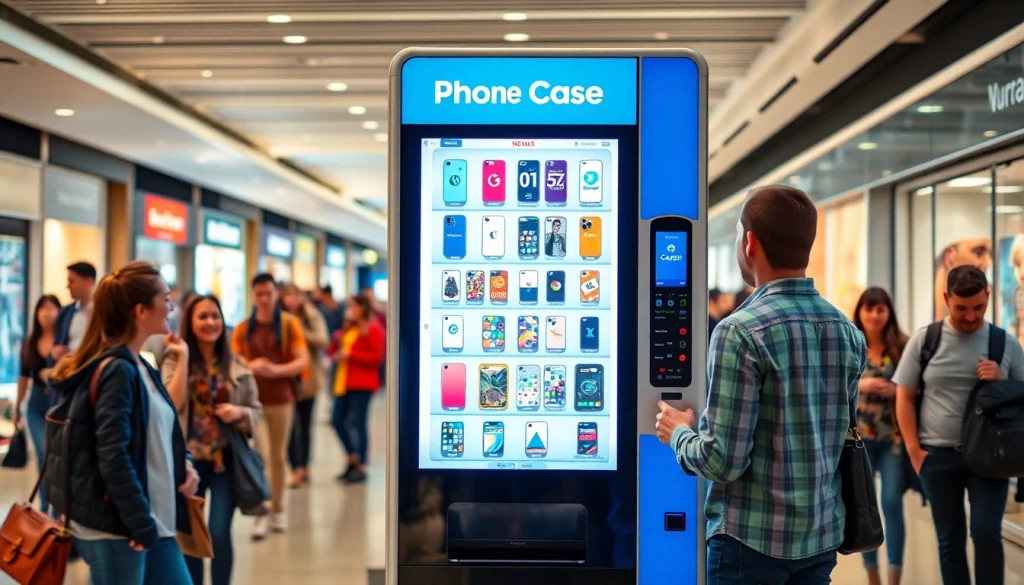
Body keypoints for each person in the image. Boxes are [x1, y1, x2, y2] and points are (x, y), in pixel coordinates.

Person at [655, 185, 866, 585]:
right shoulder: (848, 332)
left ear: (750, 243)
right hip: (819, 537)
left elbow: (722, 461)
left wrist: (678, 433)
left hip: (749, 545)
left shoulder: (739, 332)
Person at [46, 261, 199, 585]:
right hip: (122, 527)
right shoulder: (119, 370)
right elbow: (112, 454)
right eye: (165, 298)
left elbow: (157, 431)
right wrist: (139, 522)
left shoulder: (140, 364)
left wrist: (182, 463)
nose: (171, 306)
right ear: (140, 311)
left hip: (148, 520)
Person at [894, 265, 1024, 585]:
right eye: (961, 308)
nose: (970, 316)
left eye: (978, 307)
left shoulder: (1004, 343)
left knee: (985, 531)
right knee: (950, 539)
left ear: (989, 297)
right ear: (946, 299)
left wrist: (1003, 380)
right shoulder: (927, 339)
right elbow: (904, 397)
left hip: (991, 456)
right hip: (937, 455)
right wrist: (914, 450)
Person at [162, 295, 262, 585]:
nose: (210, 323)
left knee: (218, 532)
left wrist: (238, 412)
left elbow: (257, 412)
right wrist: (182, 357)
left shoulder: (237, 364)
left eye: (215, 316)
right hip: (187, 463)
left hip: (225, 461)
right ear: (190, 323)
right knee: (192, 535)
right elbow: (172, 403)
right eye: (203, 317)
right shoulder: (174, 360)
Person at [231, 274, 308, 540]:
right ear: (253, 295)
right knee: (262, 454)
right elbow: (233, 361)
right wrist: (253, 367)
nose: (264, 299)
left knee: (278, 456)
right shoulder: (243, 329)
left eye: (269, 293)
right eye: (259, 294)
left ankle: (277, 509)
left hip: (282, 400)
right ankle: (263, 512)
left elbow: (301, 361)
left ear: (277, 295)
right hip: (253, 404)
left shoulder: (289, 325)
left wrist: (274, 370)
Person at [852, 287, 908, 585]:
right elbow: (835, 383)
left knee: (891, 503)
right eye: (869, 308)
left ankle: (895, 576)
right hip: (857, 441)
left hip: (893, 439)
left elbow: (916, 387)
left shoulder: (901, 346)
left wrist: (896, 390)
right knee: (865, 509)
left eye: (880, 309)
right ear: (860, 311)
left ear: (889, 313)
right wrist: (863, 384)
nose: (874, 315)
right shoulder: (851, 342)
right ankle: (873, 575)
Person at [328, 293, 385, 483]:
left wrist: (350, 354)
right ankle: (352, 456)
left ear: (362, 308)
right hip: (344, 382)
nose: (349, 310)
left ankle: (360, 465)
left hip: (363, 383)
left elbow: (376, 357)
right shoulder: (349, 327)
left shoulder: (373, 328)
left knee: (358, 423)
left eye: (353, 307)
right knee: (336, 421)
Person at [13, 294, 60, 510]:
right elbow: (24, 376)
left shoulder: (63, 341)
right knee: (43, 453)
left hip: (59, 402)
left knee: (55, 457)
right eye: (43, 309)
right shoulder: (30, 342)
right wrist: (17, 407)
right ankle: (44, 509)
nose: (47, 313)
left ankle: (57, 507)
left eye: (52, 308)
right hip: (36, 403)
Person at [279, 283, 329, 488]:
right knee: (291, 426)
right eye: (288, 296)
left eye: (295, 295)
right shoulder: (279, 318)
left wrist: (300, 332)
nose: (291, 300)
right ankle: (296, 467)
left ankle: (304, 466)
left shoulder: (312, 315)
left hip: (308, 380)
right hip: (287, 379)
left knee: (306, 424)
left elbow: (322, 340)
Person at [51, 261, 97, 362]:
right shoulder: (65, 313)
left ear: (89, 282)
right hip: (69, 369)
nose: (68, 286)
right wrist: (55, 352)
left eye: (72, 281)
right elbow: (57, 344)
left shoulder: (103, 313)